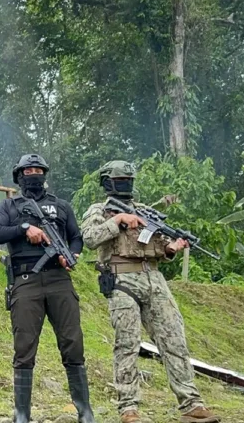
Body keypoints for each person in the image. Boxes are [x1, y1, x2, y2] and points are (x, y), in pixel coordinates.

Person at [81, 160, 221, 423]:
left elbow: (159, 245)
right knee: (127, 342)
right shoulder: (100, 210)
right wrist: (120, 221)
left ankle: (191, 403)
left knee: (174, 339)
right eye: (120, 179)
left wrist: (171, 249)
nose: (126, 184)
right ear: (108, 183)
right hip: (121, 278)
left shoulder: (146, 211)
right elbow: (89, 238)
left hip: (154, 278)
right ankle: (128, 408)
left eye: (128, 179)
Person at [0, 154, 95, 423]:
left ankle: (84, 410)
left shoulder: (62, 206)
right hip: (25, 281)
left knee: (72, 343)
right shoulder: (9, 206)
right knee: (24, 346)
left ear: (44, 174)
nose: (33, 174)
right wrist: (24, 228)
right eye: (28, 170)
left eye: (38, 170)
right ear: (19, 176)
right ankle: (22, 413)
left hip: (59, 280)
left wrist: (72, 254)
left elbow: (77, 237)